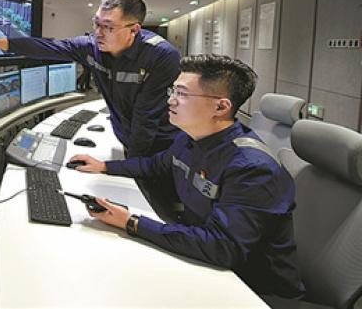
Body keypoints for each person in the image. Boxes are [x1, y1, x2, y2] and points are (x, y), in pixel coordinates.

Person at [69, 54, 304, 299]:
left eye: (181, 93)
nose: (170, 100)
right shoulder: (190, 138)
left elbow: (223, 247)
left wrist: (132, 222)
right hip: (207, 259)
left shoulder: (251, 168)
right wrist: (104, 166)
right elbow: (156, 165)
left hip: (253, 291)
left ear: (221, 107)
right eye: (173, 90)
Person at [0, 0, 180, 157]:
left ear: (134, 30)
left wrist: (129, 168)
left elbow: (146, 118)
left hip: (162, 146)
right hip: (128, 138)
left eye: (108, 27)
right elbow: (46, 46)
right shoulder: (91, 46)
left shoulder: (161, 56)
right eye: (96, 23)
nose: (98, 33)